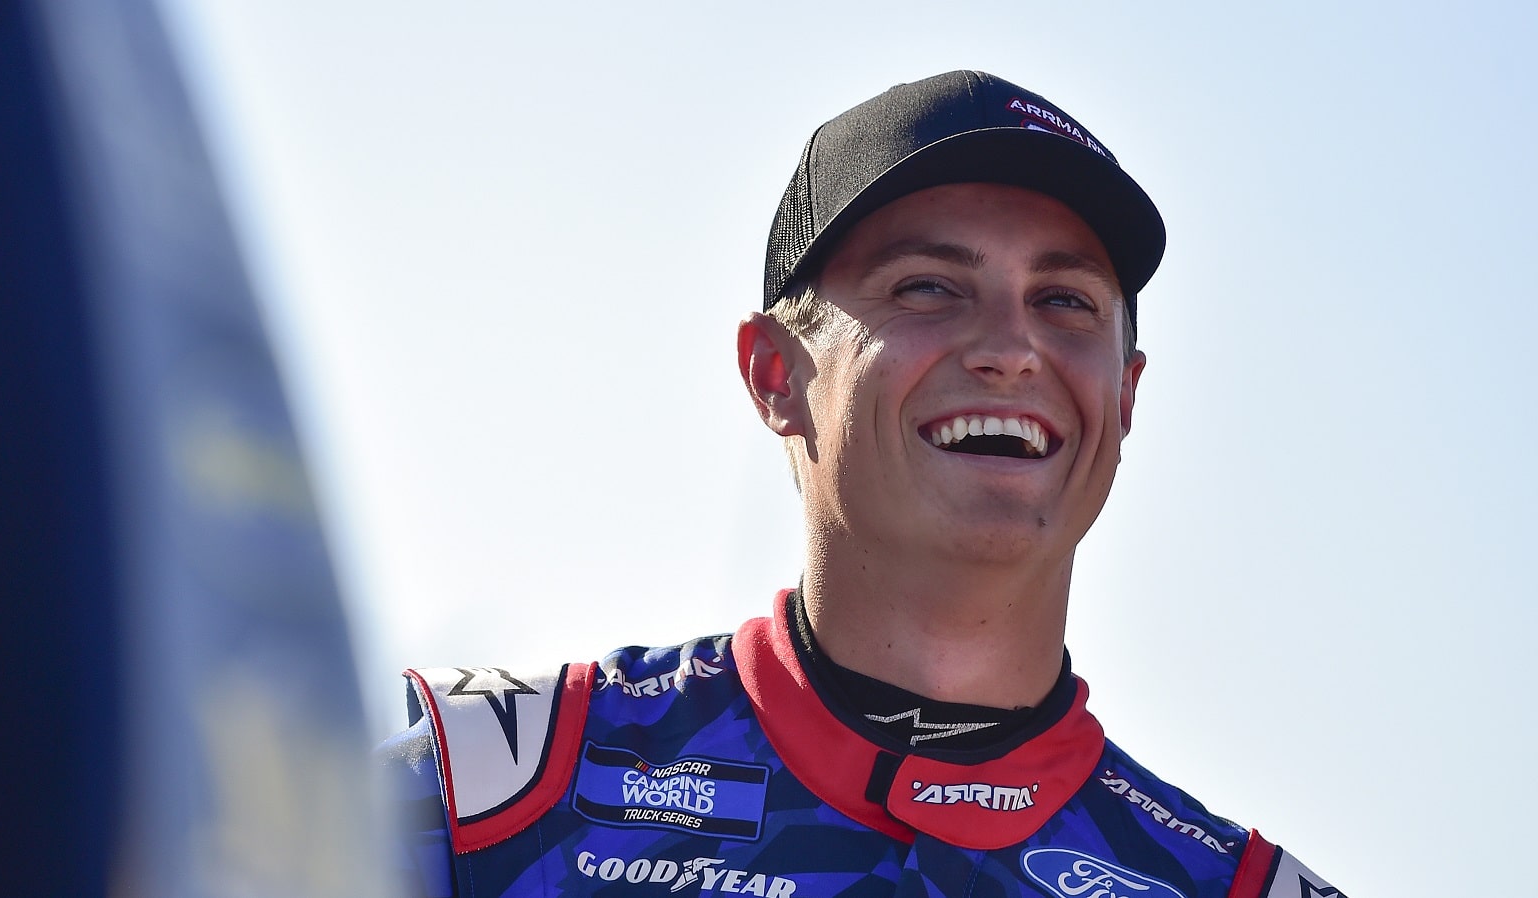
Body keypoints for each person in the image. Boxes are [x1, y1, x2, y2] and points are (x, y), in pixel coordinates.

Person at [378, 70, 1346, 898]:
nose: (1013, 351)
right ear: (773, 376)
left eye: (1064, 302)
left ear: (1125, 397)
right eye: (929, 286)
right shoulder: (487, 804)